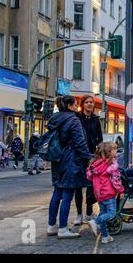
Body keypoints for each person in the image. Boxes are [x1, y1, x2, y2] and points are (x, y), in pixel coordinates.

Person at [46, 95, 92, 239]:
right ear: (71, 106)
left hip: (57, 159)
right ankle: (63, 228)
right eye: (76, 104)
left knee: (57, 193)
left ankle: (51, 225)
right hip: (70, 160)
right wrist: (88, 158)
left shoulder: (54, 119)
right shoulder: (73, 120)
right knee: (67, 194)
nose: (77, 107)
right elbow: (79, 142)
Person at [86, 142, 124, 244]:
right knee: (112, 213)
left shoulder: (95, 164)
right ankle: (95, 221)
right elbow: (116, 180)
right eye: (115, 149)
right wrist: (121, 191)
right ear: (109, 152)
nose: (117, 151)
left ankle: (105, 236)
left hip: (98, 194)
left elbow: (89, 176)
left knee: (103, 214)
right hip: (108, 193)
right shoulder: (111, 165)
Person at [74, 95, 103, 226]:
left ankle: (89, 212)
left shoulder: (96, 119)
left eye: (91, 102)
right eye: (87, 102)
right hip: (79, 155)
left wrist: (100, 154)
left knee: (92, 185)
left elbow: (100, 138)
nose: (90, 104)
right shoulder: (77, 118)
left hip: (92, 156)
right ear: (83, 104)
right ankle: (79, 214)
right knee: (78, 186)